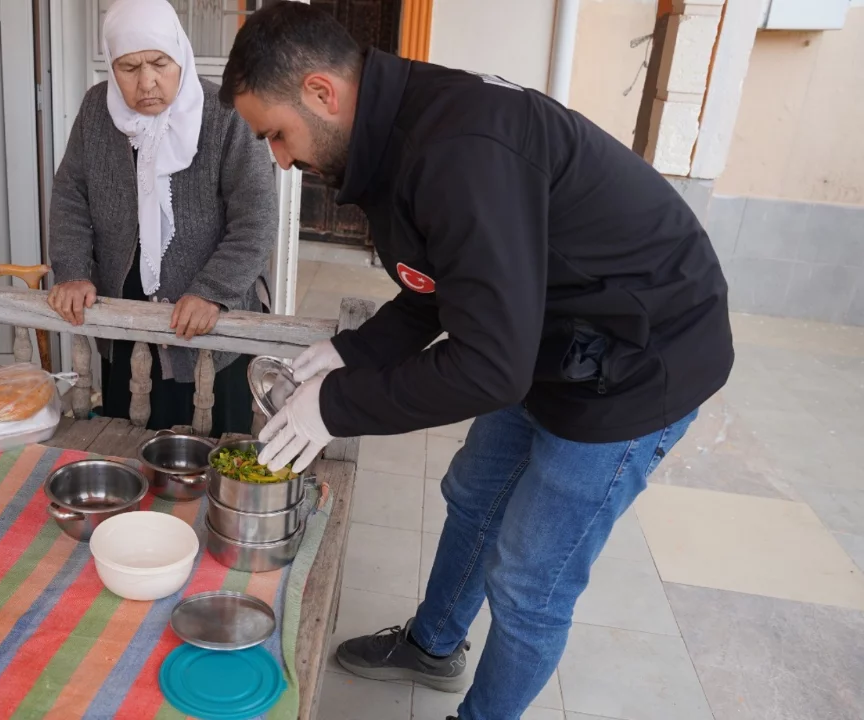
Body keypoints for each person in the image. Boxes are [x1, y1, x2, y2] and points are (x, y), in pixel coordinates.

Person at [218, 3, 734, 720]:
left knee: (529, 582)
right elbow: (443, 287)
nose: (278, 158)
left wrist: (337, 405)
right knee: (475, 496)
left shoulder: (459, 147)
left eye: (275, 134)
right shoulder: (396, 134)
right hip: (546, 335)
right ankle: (433, 645)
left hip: (641, 357)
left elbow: (491, 368)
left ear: (321, 93)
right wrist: (348, 352)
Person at [47, 0, 277, 435]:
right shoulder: (98, 109)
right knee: (128, 440)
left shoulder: (224, 114)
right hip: (125, 314)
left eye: (159, 62)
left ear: (181, 56)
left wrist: (212, 291)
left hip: (209, 319)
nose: (146, 81)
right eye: (128, 67)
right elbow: (71, 195)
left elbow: (257, 217)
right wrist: (73, 270)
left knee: (209, 445)